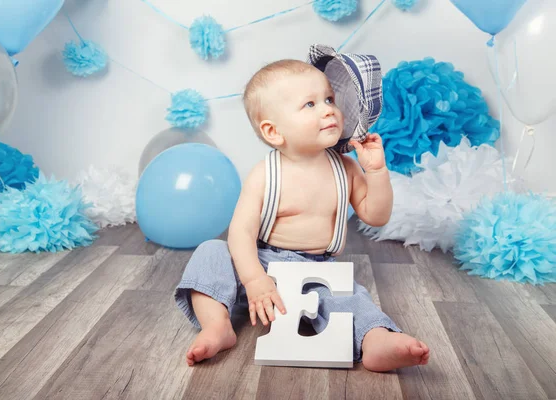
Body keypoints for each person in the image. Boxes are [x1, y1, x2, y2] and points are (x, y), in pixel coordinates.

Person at [174, 59, 430, 371]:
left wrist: (376, 172)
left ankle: (375, 339)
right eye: (310, 104)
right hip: (263, 263)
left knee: (351, 297)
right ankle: (217, 325)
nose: (328, 110)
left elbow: (376, 215)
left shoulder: (345, 168)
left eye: (329, 99)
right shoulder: (265, 174)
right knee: (211, 252)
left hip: (317, 271)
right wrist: (254, 279)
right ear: (273, 131)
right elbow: (241, 232)